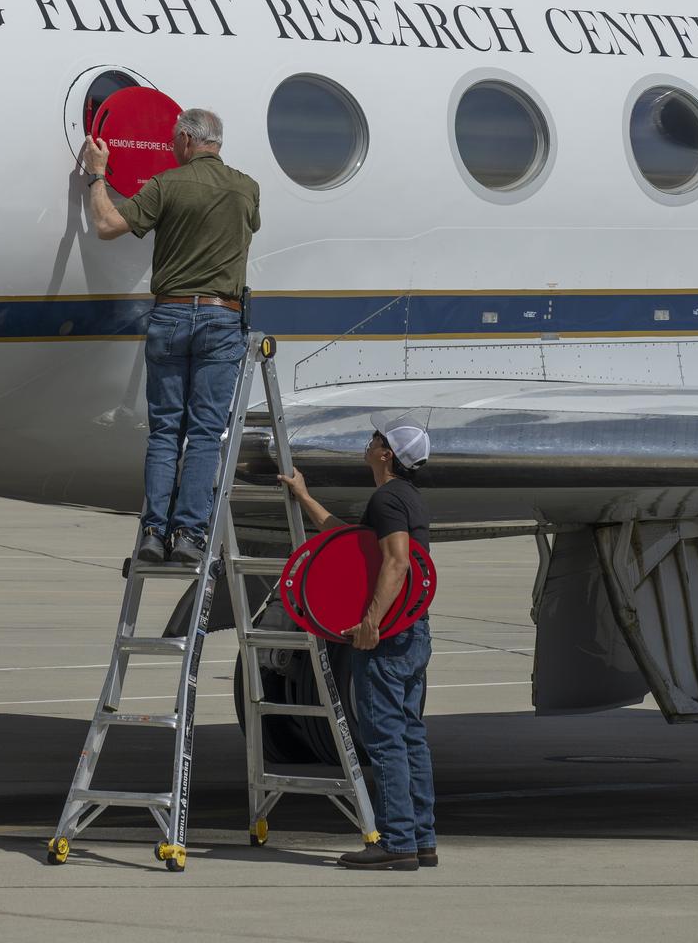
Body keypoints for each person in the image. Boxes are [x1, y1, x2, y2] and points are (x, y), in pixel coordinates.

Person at [80, 107, 260, 566]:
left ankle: (154, 533)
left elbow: (107, 226)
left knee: (164, 432)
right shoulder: (247, 189)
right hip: (223, 319)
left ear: (184, 140)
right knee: (204, 434)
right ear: (216, 143)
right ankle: (190, 535)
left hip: (172, 316)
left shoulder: (166, 185)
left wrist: (96, 177)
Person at [279, 414, 436, 871]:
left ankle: (396, 843)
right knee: (410, 737)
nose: (368, 443)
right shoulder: (406, 497)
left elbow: (396, 562)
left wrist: (371, 622)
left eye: (375, 439)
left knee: (385, 739)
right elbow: (347, 541)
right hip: (414, 632)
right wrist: (304, 496)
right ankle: (421, 840)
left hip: (387, 639)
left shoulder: (387, 498)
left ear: (386, 454)